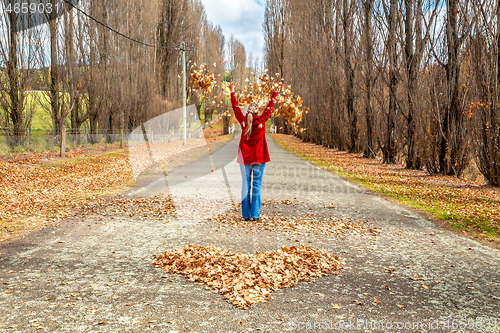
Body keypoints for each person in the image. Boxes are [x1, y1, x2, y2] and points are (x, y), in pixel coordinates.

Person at [229, 82, 281, 221]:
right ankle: (255, 215)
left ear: (247, 112)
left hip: (245, 159)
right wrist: (274, 92)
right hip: (259, 158)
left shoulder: (243, 120)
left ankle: (246, 215)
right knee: (256, 186)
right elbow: (269, 108)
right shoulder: (262, 120)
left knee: (245, 185)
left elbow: (235, 108)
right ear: (257, 111)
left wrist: (232, 91)